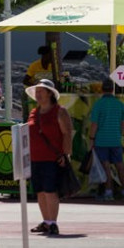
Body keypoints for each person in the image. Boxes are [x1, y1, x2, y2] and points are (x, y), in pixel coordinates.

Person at [27, 79, 73, 236]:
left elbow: (67, 134)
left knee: (50, 191)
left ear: (50, 94)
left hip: (52, 158)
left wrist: (65, 154)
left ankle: (53, 222)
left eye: (41, 92)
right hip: (35, 158)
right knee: (39, 191)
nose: (38, 95)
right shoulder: (34, 112)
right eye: (37, 92)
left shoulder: (60, 112)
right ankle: (46, 221)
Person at [87, 78, 124, 200]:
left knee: (105, 167)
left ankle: (108, 192)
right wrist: (119, 134)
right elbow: (123, 123)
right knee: (120, 165)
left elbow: (94, 125)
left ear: (101, 89)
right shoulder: (119, 104)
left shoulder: (98, 104)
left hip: (101, 140)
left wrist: (91, 138)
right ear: (112, 89)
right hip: (115, 140)